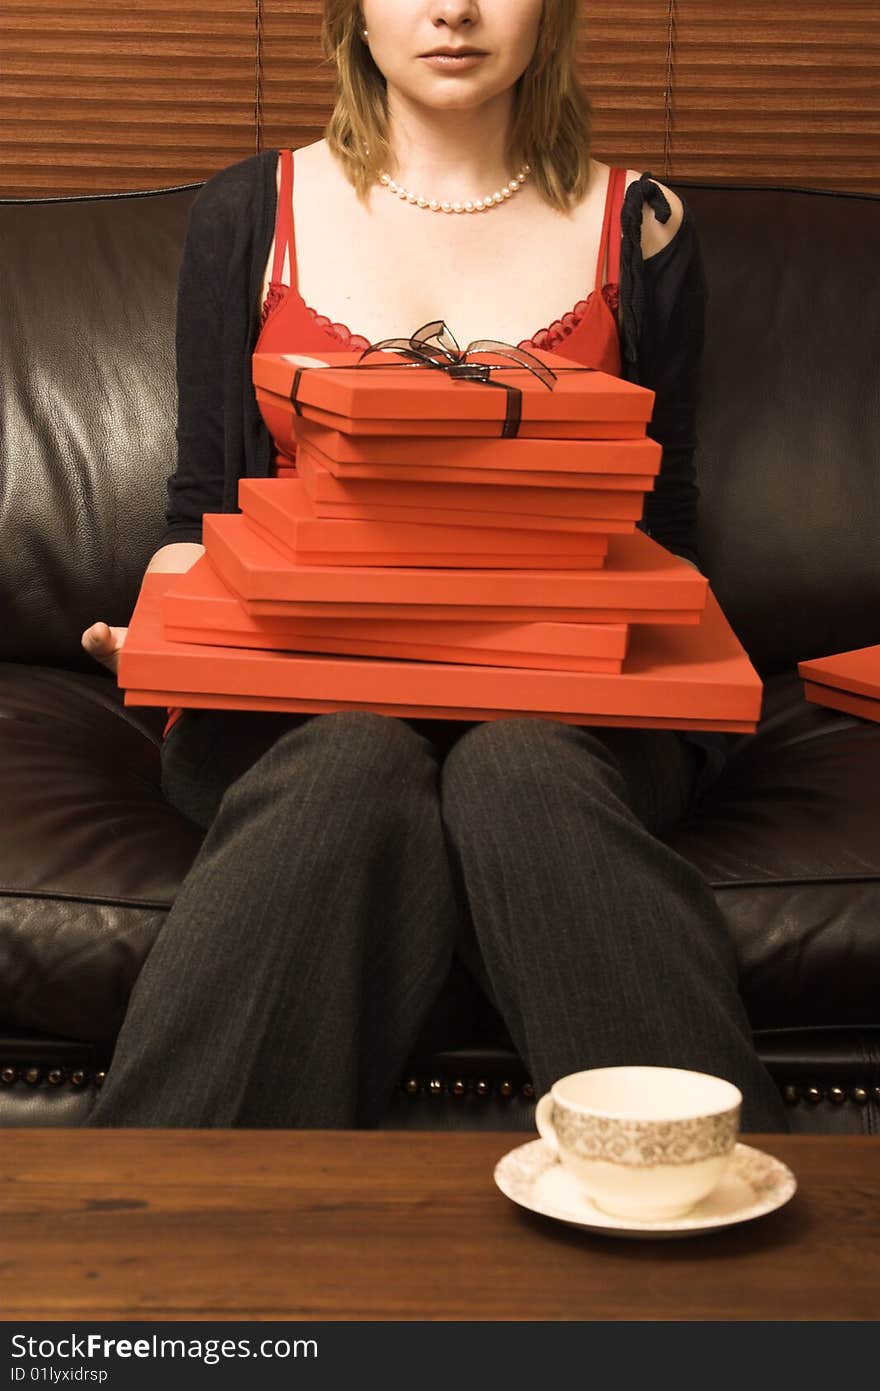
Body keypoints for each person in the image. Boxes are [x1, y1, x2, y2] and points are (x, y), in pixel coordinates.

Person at [80, 0, 789, 1132]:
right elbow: (200, 508)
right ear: (352, 14)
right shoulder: (248, 212)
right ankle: (145, 1263)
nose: (452, 7)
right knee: (352, 759)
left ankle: (732, 1254)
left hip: (578, 704)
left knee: (515, 772)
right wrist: (171, 624)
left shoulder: (640, 221)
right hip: (297, 701)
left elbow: (666, 518)